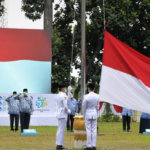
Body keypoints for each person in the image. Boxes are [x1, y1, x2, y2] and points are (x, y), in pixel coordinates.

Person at [82, 83, 99, 150]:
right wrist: (96, 113)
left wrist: (84, 115)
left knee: (88, 130)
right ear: (94, 89)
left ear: (88, 89)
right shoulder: (97, 96)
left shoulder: (86, 96)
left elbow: (84, 107)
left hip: (88, 113)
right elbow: (97, 107)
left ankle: (89, 146)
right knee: (94, 130)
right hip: (94, 113)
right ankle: (93, 145)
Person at [56, 85, 71, 150]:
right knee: (61, 130)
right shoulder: (63, 95)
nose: (65, 89)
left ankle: (58, 144)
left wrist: (69, 91)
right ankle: (60, 145)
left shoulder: (58, 95)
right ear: (62, 88)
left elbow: (68, 99)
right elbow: (65, 104)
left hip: (59, 112)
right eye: (64, 88)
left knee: (59, 129)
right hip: (63, 113)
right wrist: (67, 110)